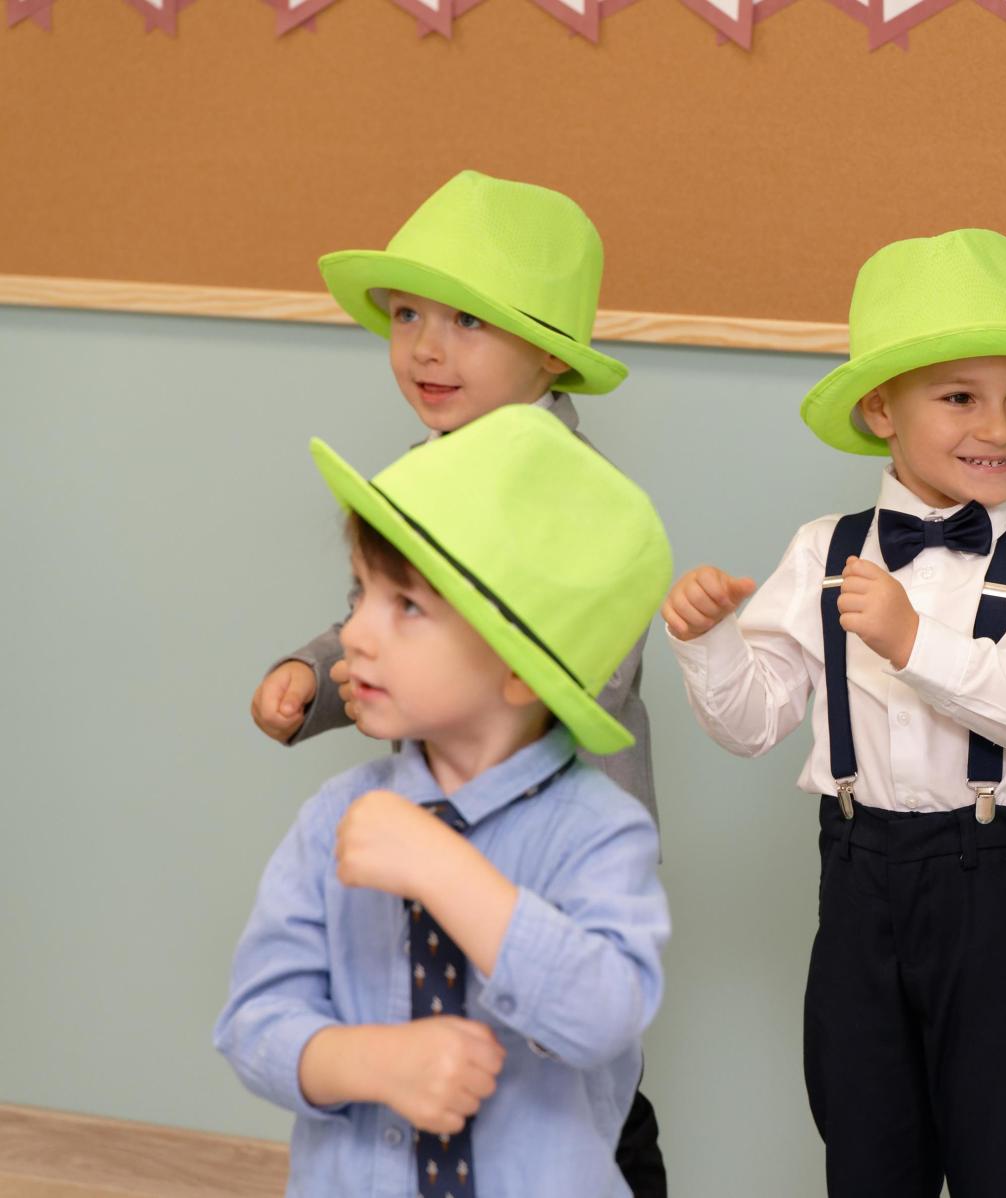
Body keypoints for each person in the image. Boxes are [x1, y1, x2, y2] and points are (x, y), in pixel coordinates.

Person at [662, 228, 1006, 1197]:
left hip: (999, 881)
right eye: (959, 397)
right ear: (880, 410)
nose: (999, 426)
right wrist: (708, 640)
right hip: (859, 879)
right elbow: (752, 722)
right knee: (867, 1145)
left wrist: (916, 642)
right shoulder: (824, 550)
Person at [244, 169, 668, 1189]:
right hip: (433, 812)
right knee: (443, 1039)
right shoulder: (415, 478)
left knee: (568, 1077)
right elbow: (392, 635)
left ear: (551, 353)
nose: (426, 348)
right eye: (407, 316)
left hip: (538, 843)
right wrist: (319, 672)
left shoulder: (581, 507)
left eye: (468, 321)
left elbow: (573, 667)